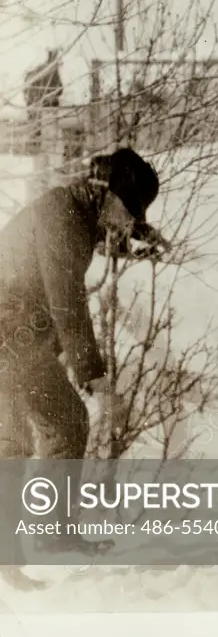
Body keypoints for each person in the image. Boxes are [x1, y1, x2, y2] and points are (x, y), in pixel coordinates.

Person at [0, 147, 159, 576]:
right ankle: (18, 555)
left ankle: (34, 544)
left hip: (17, 333)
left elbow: (97, 239)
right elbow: (67, 299)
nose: (129, 221)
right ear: (109, 194)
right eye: (130, 210)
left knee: (45, 429)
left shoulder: (74, 209)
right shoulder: (64, 216)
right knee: (28, 436)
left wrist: (139, 243)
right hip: (9, 334)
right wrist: (93, 373)